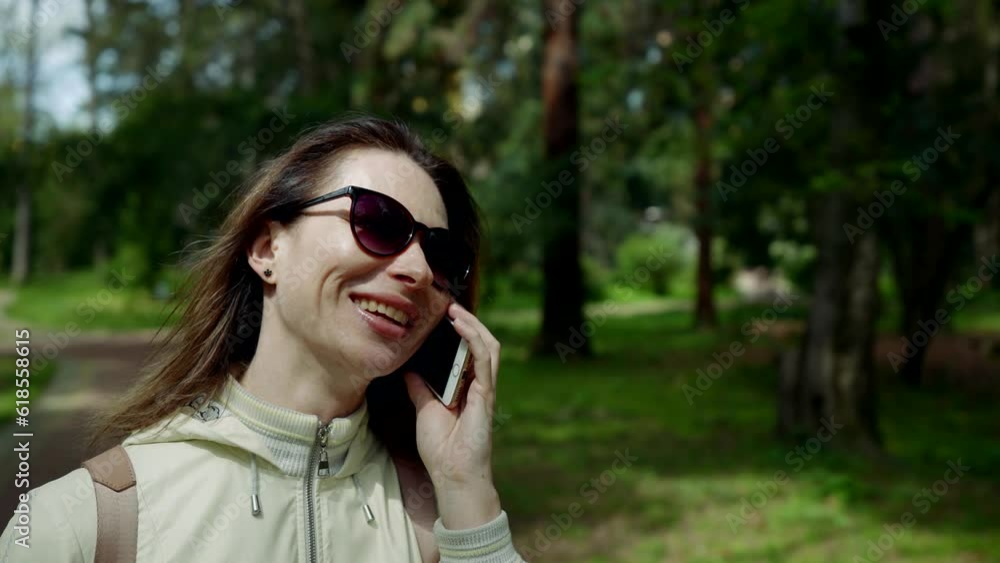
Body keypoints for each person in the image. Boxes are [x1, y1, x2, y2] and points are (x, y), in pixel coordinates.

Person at [0, 116, 527, 562]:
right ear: (267, 249)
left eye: (440, 254)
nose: (418, 269)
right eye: (378, 221)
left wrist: (465, 490)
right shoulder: (81, 524)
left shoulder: (443, 525)